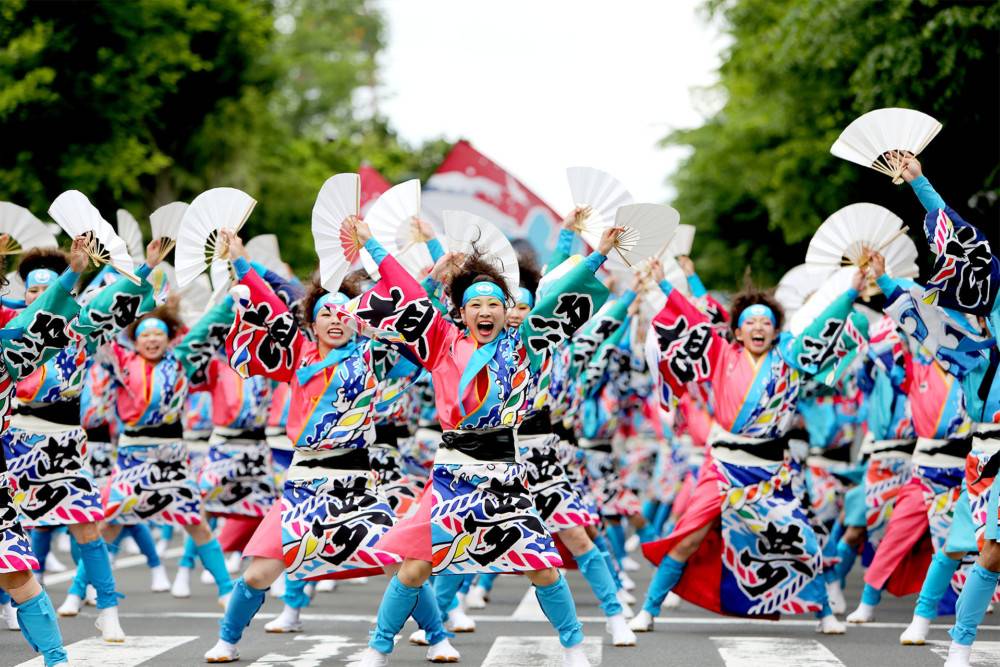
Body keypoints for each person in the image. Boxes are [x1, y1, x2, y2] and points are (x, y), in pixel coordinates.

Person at [351, 216, 624, 667]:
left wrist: (598, 254)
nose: (485, 312)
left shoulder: (526, 344)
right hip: (452, 475)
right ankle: (378, 649)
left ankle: (575, 648)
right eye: (475, 304)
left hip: (505, 474)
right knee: (416, 567)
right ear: (460, 312)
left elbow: (557, 298)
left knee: (543, 566)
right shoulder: (440, 340)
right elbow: (408, 295)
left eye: (494, 304)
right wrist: (373, 246)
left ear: (507, 309)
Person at [203, 233, 456, 664]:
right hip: (303, 484)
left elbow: (416, 318)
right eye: (325, 314)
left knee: (399, 564)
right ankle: (227, 640)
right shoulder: (297, 352)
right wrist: (243, 264)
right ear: (312, 322)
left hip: (356, 484)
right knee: (259, 572)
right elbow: (269, 306)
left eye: (343, 313)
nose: (336, 320)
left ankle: (438, 638)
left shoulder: (372, 355)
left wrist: (433, 280)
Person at [631, 257, 867, 634]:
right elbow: (695, 320)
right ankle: (649, 609)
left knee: (800, 540)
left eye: (766, 323)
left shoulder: (790, 357)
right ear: (737, 332)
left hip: (771, 472)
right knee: (688, 537)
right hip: (723, 466)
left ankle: (825, 613)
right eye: (750, 322)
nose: (758, 327)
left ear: (776, 331)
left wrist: (852, 290)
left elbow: (825, 328)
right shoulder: (721, 353)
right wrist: (665, 285)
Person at [869, 155, 999, 667]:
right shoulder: (969, 340)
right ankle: (957, 644)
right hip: (987, 452)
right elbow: (963, 253)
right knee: (978, 551)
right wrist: (921, 183)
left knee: (968, 547)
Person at [0, 234, 90, 667]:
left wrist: (72, 272)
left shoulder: (8, 343)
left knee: (14, 571)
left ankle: (56, 658)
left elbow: (39, 319)